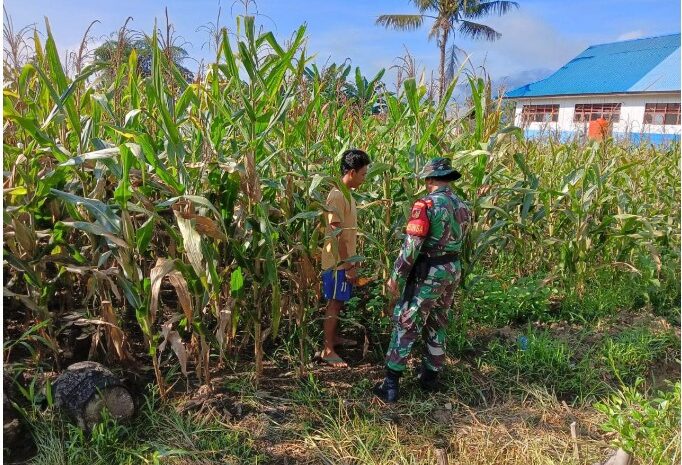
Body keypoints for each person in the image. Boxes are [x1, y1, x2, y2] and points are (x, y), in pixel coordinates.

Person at [374, 157, 471, 402]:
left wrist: (396, 275)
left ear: (429, 180)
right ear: (449, 179)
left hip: (429, 271)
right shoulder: (463, 205)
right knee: (438, 320)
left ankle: (391, 384)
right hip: (452, 269)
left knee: (408, 320)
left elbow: (412, 246)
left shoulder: (426, 205)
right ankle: (430, 377)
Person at [319, 149, 370, 367]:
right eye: (362, 174)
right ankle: (327, 349)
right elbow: (336, 231)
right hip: (336, 263)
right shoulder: (337, 195)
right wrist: (348, 265)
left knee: (339, 303)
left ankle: (334, 338)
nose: (364, 178)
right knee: (335, 303)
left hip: (344, 260)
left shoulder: (347, 194)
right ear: (350, 172)